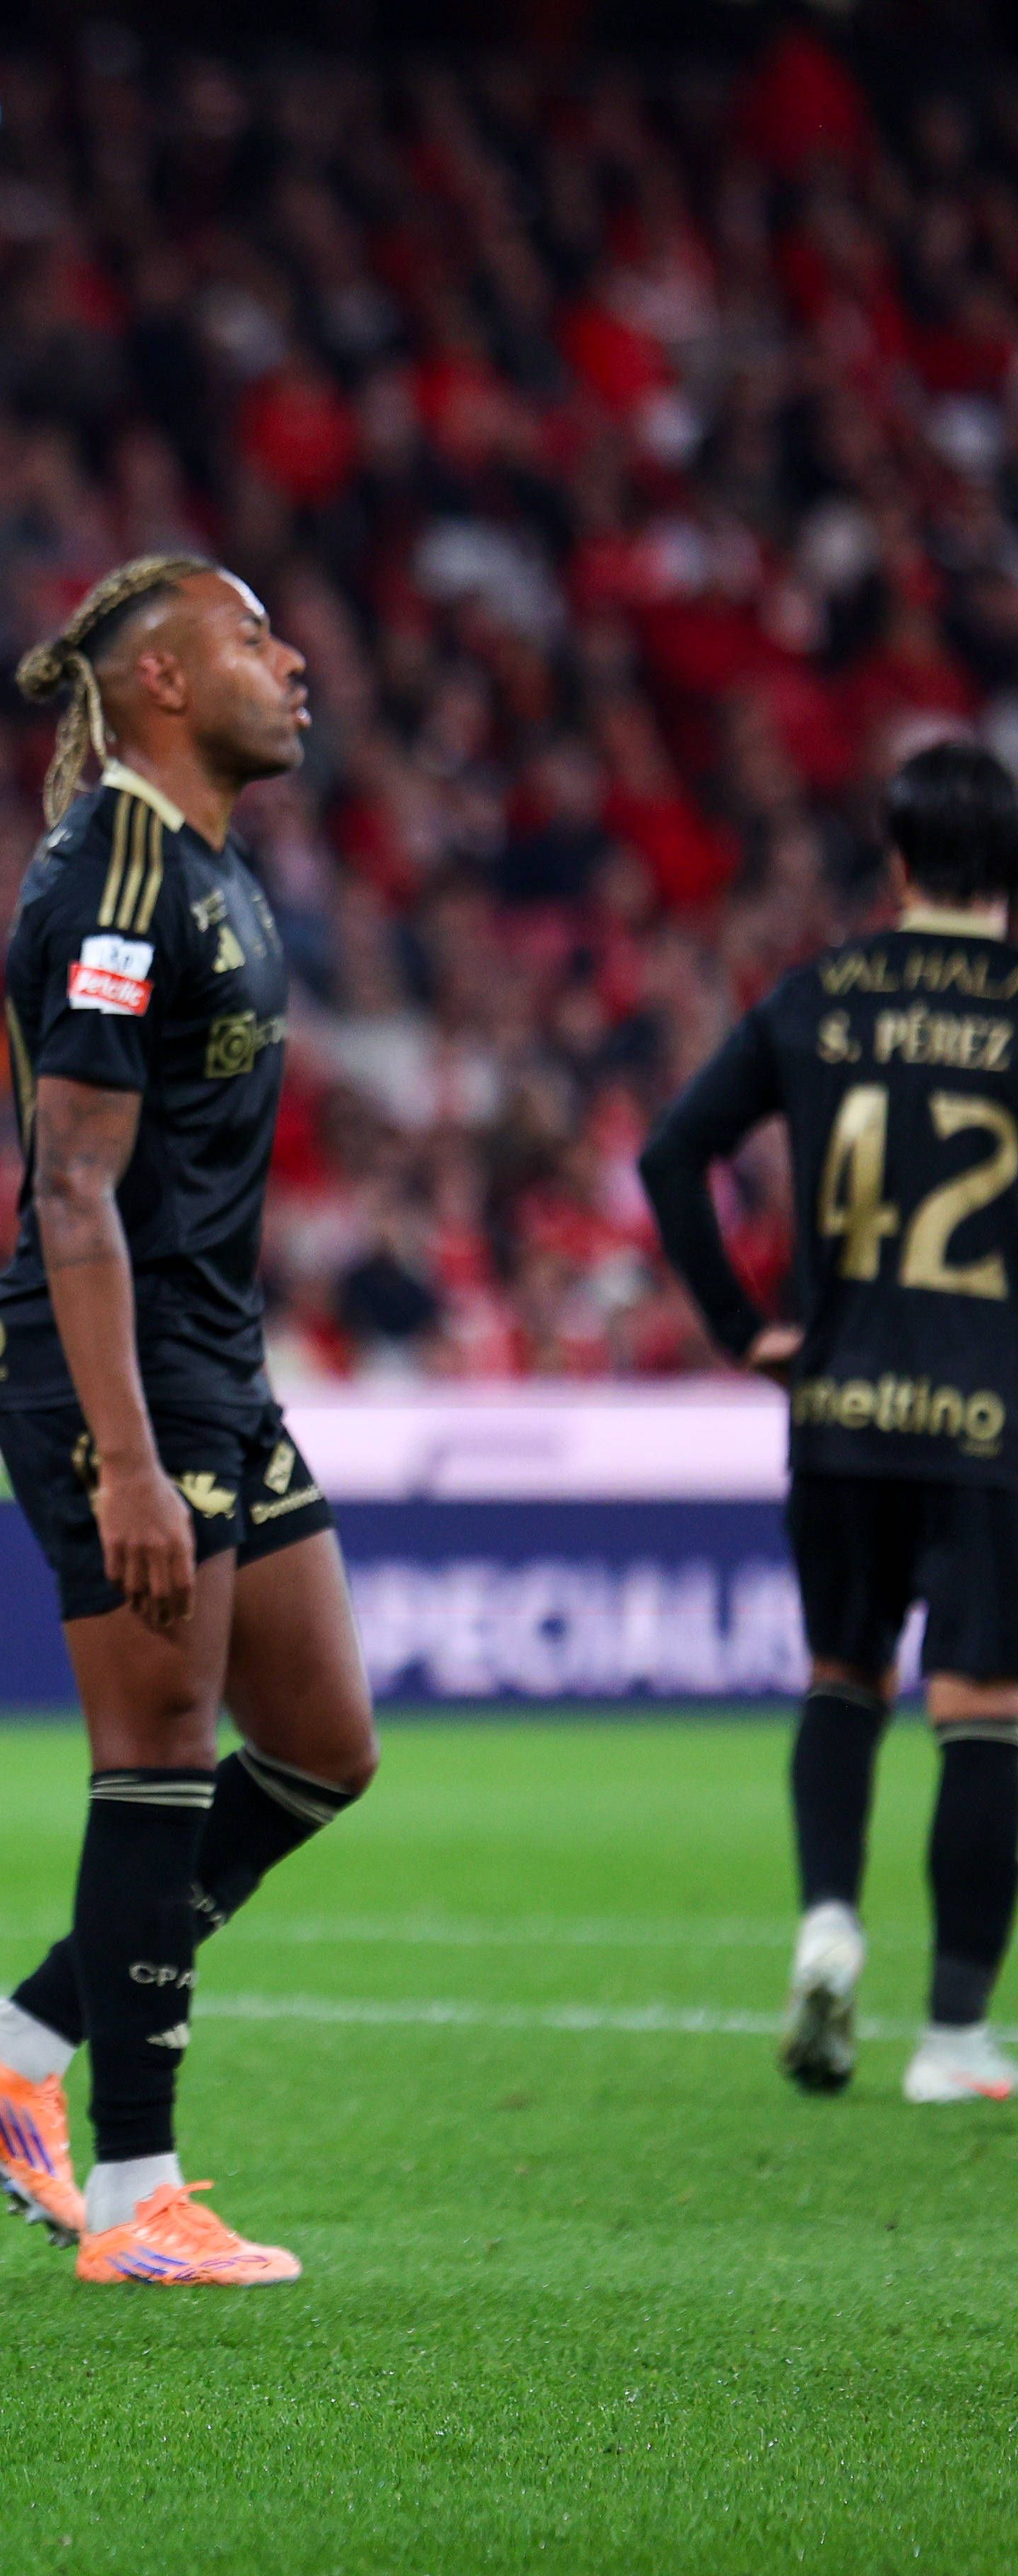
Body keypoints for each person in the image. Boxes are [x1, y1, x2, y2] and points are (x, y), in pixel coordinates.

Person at [0, 555, 374, 2290]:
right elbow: (74, 1188)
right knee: (160, 1754)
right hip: (114, 1371)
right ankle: (136, 2198)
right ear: (164, 679)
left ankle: (18, 2044)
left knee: (322, 1745)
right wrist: (120, 1460)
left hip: (215, 1368)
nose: (295, 661)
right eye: (259, 639)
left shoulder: (214, 870)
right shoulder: (110, 874)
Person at [639, 739, 1018, 2106]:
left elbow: (673, 1156)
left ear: (899, 860)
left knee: (842, 1676)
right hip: (991, 1414)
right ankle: (961, 2040)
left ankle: (827, 1926)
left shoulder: (820, 996)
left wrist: (745, 1333)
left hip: (840, 1409)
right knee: (983, 1711)